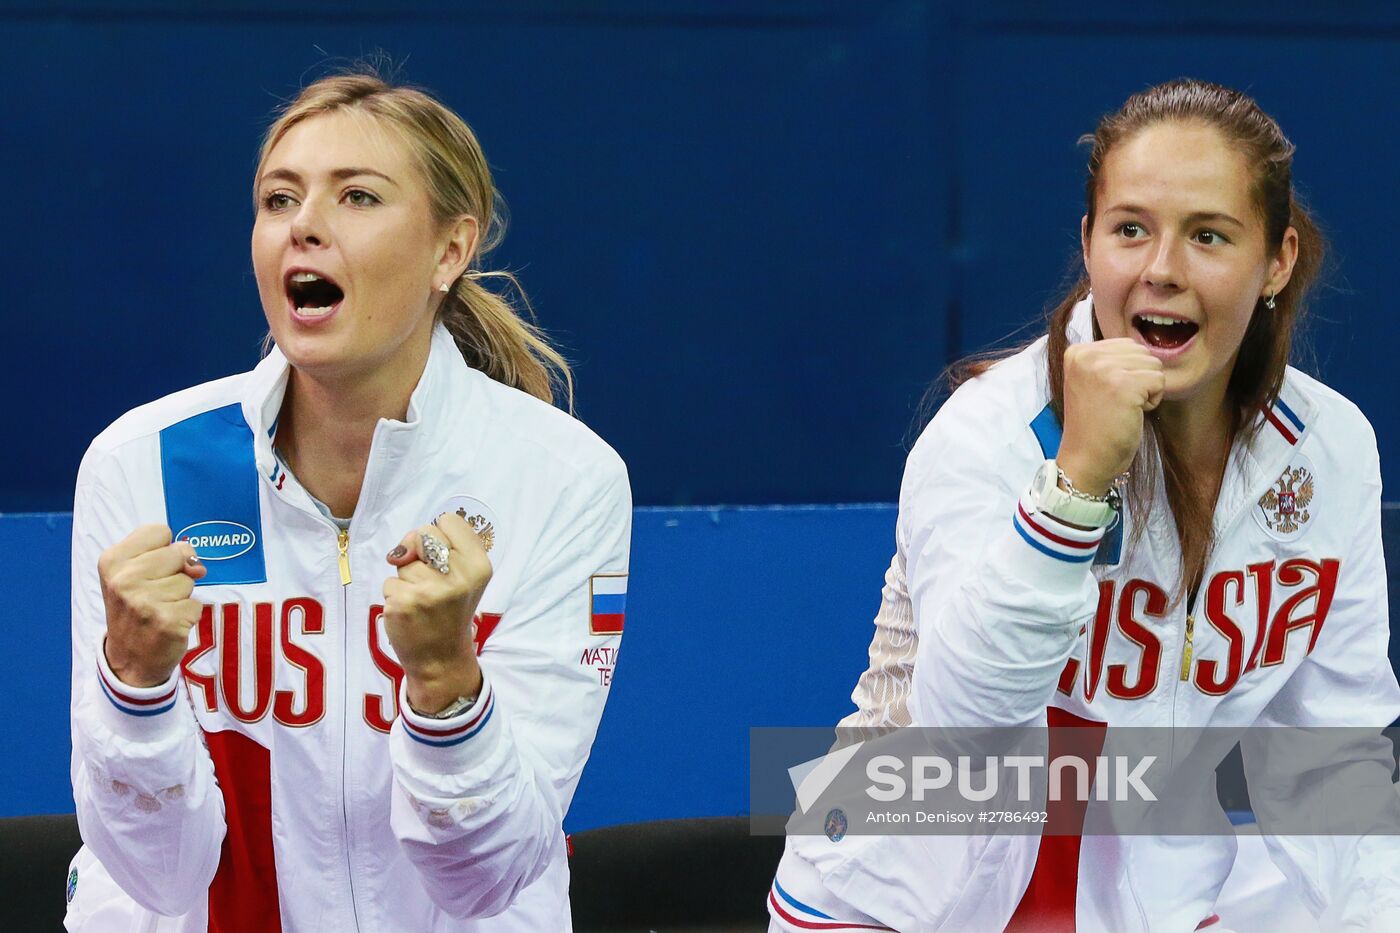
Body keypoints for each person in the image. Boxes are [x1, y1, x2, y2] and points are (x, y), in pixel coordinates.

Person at [768, 79, 1400, 931]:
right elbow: (968, 732)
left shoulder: (1330, 448)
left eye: (1208, 235)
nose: (1161, 270)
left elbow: (1332, 752)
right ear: (1088, 241)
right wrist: (1074, 488)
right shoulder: (990, 431)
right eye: (1129, 229)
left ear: (1277, 260)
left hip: (1154, 906)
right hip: (897, 900)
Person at [65, 71, 631, 932]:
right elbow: (155, 874)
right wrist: (133, 686)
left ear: (450, 250)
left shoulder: (562, 478)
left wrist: (446, 684)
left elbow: (487, 878)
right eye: (279, 199)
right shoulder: (140, 462)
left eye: (357, 196)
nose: (304, 224)